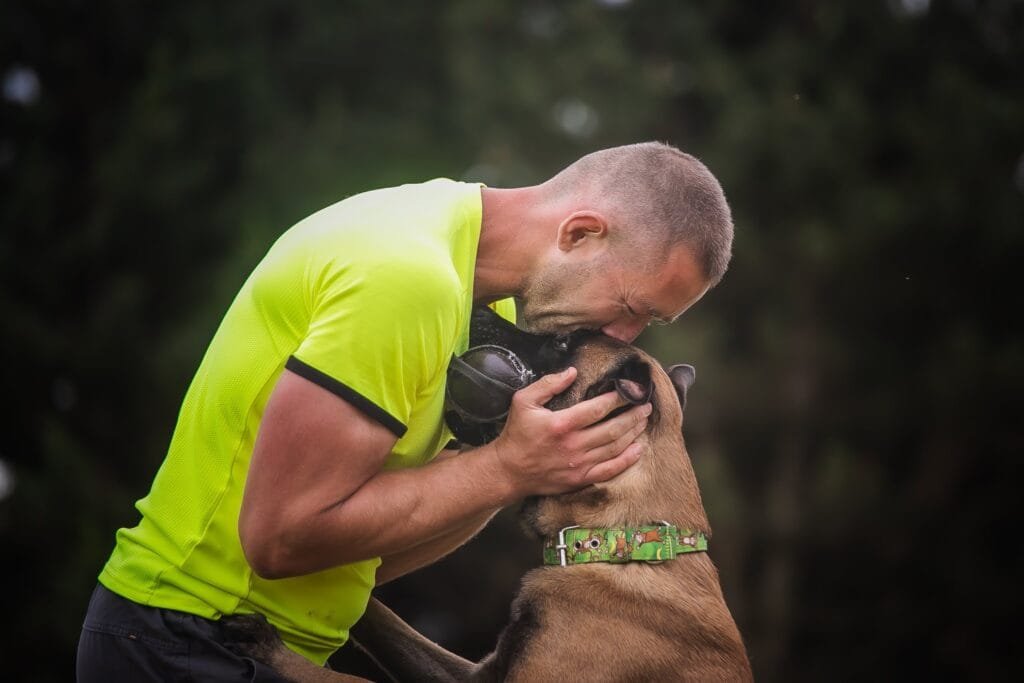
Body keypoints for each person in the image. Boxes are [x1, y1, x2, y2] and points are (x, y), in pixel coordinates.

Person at [76, 141, 733, 679]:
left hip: (253, 639)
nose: (623, 338)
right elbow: (281, 538)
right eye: (632, 308)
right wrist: (505, 468)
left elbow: (365, 554)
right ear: (581, 233)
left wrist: (519, 471)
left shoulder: (486, 291)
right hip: (183, 637)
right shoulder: (405, 280)